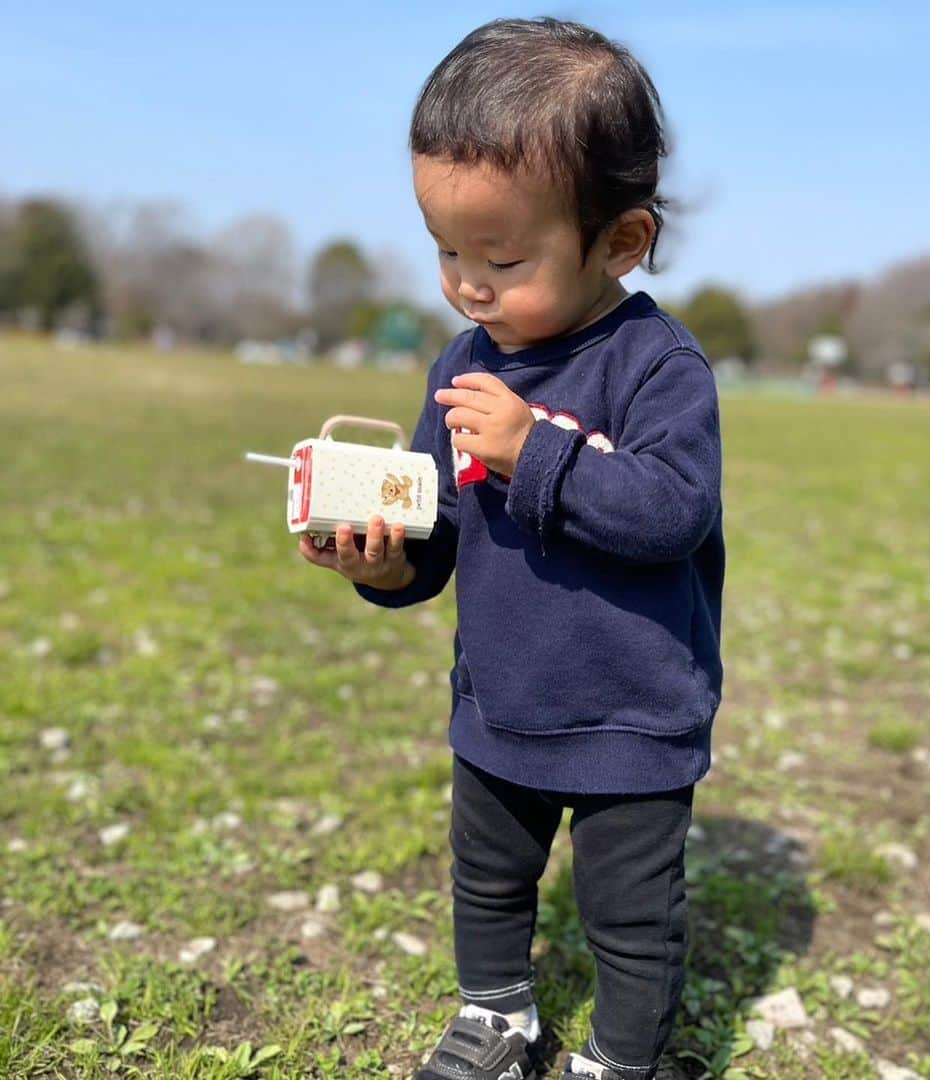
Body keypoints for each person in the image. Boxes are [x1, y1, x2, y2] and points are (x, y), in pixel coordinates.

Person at [300, 17, 724, 1080]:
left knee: (629, 914)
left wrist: (537, 452)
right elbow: (436, 532)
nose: (468, 285)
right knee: (486, 881)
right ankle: (499, 1018)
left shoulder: (657, 367)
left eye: (501, 257)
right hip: (499, 698)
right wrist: (383, 560)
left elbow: (674, 513)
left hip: (632, 710)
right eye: (446, 250)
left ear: (620, 242)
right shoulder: (460, 358)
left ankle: (621, 1059)